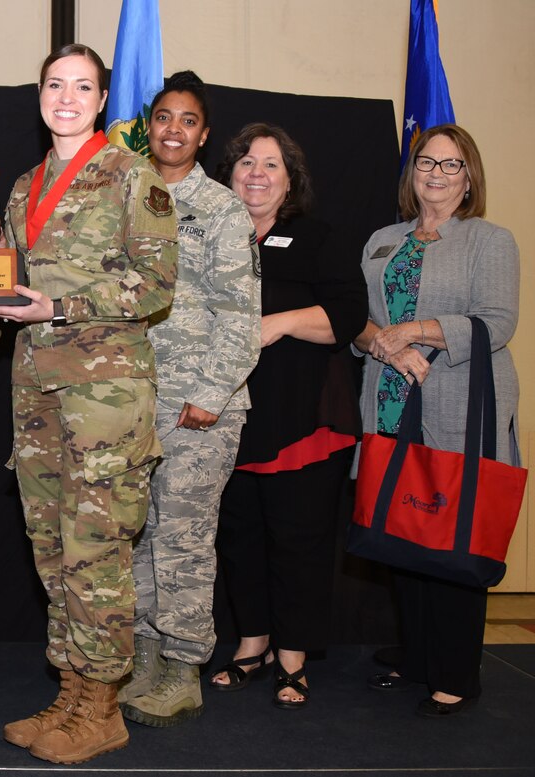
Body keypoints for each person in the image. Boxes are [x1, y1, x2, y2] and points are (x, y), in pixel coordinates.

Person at [0, 44, 177, 764]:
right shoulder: (24, 186)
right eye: (55, 85)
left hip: (105, 395)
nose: (66, 97)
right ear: (40, 96)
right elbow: (10, 282)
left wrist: (60, 306)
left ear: (101, 101)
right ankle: (69, 692)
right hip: (36, 388)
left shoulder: (132, 176)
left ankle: (102, 705)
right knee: (52, 547)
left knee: (97, 549)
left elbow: (155, 284)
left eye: (82, 87)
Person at [354, 124, 519, 717]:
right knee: (404, 533)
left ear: (469, 177)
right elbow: (359, 321)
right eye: (427, 162)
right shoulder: (383, 240)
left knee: (454, 537)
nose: (437, 173)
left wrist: (414, 332)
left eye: (452, 165)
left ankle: (456, 674)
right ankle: (418, 656)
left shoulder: (489, 240)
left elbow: (496, 322)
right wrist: (381, 342)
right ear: (413, 171)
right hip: (390, 401)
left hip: (458, 406)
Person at [209, 123, 367, 709]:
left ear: (290, 180)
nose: (256, 174)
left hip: (302, 419)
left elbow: (346, 318)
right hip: (227, 416)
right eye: (246, 162)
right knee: (239, 536)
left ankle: (294, 654)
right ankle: (252, 641)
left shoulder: (318, 238)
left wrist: (276, 324)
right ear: (229, 176)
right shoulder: (211, 237)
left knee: (299, 540)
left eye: (270, 164)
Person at [121, 72, 261, 727]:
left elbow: (240, 315)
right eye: (163, 117)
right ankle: (144, 657)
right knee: (138, 536)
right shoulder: (126, 195)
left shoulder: (223, 210)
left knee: (184, 540)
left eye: (188, 120)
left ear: (204, 135)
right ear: (147, 126)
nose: (173, 130)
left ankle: (183, 669)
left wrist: (210, 394)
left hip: (199, 408)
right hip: (132, 399)